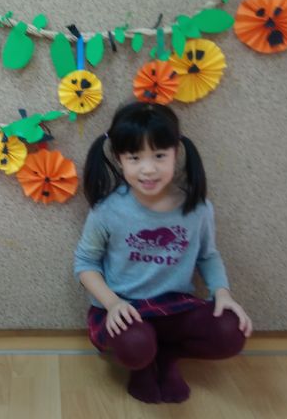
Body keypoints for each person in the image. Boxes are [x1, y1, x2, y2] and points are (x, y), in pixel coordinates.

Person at [74, 101, 252, 404]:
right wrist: (112, 303)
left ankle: (166, 356)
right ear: (119, 158)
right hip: (124, 309)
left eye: (159, 155)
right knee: (135, 344)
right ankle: (143, 365)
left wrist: (222, 293)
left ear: (176, 153)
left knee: (231, 331)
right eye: (135, 157)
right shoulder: (107, 210)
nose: (148, 169)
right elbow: (85, 263)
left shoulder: (197, 208)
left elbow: (208, 256)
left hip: (174, 308)